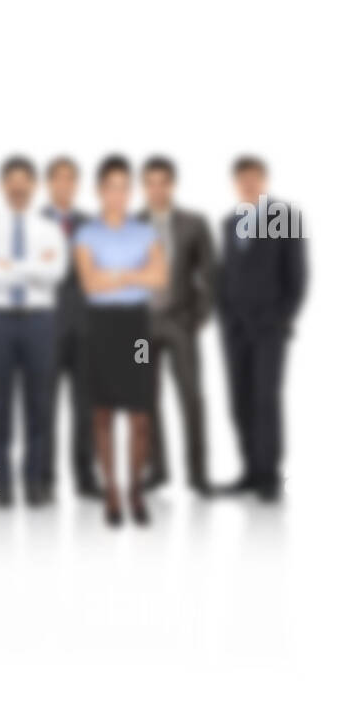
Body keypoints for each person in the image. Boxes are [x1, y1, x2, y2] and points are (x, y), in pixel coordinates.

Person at [74, 154, 167, 526]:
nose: (118, 194)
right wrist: (134, 273)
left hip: (137, 330)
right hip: (101, 327)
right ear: (99, 191)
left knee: (141, 411)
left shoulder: (147, 232)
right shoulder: (86, 234)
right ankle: (111, 490)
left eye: (124, 187)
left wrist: (114, 274)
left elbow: (159, 278)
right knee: (102, 412)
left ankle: (135, 489)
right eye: (111, 187)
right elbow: (89, 284)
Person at [0, 156, 66, 507]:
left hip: (39, 321)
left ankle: (36, 482)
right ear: (4, 186)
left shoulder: (49, 229)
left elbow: (54, 273)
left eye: (24, 182)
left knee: (40, 406)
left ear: (33, 186)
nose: (18, 189)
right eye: (12, 182)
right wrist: (32, 267)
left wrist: (10, 266)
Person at [217, 156, 308, 502]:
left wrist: (282, 318)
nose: (249, 184)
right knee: (239, 399)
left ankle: (269, 476)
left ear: (264, 181)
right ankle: (250, 472)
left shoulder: (283, 217)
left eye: (255, 178)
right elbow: (226, 273)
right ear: (235, 184)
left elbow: (298, 275)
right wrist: (223, 315)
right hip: (234, 328)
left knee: (265, 400)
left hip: (269, 327)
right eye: (242, 179)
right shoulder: (229, 222)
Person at [136, 156, 217, 496]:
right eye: (150, 183)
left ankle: (198, 474)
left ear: (172, 185)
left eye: (162, 182)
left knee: (191, 397)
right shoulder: (129, 224)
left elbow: (211, 275)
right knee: (146, 397)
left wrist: (198, 318)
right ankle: (159, 471)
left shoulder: (194, 223)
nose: (156, 189)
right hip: (140, 329)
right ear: (144, 186)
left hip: (179, 322)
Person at [40, 156, 100, 498]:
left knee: (85, 406)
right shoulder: (32, 223)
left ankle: (85, 476)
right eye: (58, 179)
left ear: (76, 185)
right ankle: (44, 478)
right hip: (46, 326)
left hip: (85, 328)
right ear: (50, 184)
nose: (64, 185)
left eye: (70, 179)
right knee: (44, 406)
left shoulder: (91, 225)